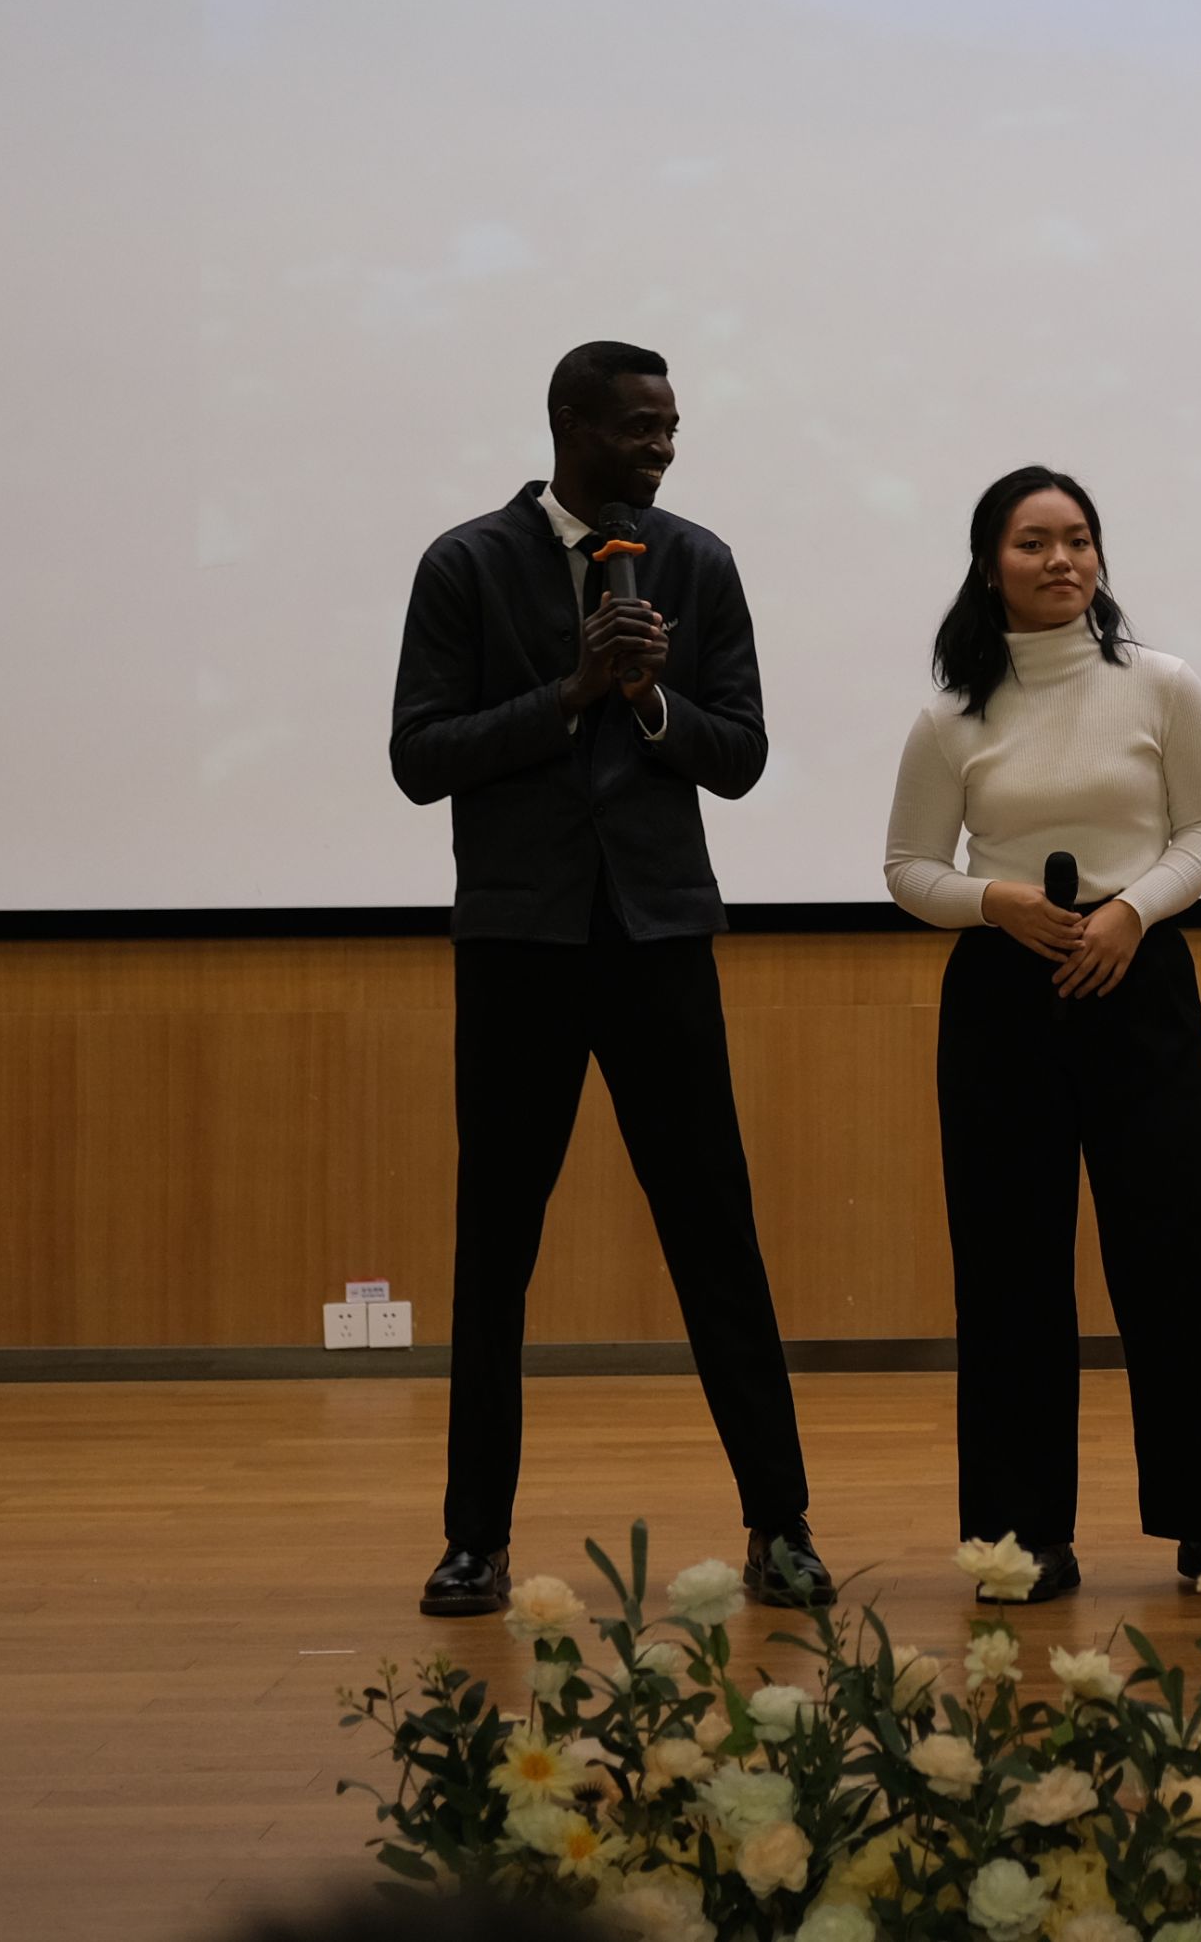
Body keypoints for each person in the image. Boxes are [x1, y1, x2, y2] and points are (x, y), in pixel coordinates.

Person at [386, 341, 825, 1622]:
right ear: (570, 423)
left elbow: (740, 755)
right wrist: (571, 690)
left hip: (658, 939)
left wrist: (648, 702)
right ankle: (473, 1541)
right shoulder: (467, 564)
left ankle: (781, 1526)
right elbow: (420, 758)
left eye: (672, 428)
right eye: (641, 427)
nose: (663, 447)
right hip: (518, 945)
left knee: (716, 1238)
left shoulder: (697, 562)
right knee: (495, 1251)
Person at [883, 465, 1201, 1605]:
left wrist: (1131, 911)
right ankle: (1019, 1536)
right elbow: (909, 868)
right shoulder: (951, 715)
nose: (1059, 560)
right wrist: (992, 901)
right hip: (1001, 998)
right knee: (1008, 1266)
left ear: (1100, 556)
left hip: (1136, 979)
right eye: (1032, 542)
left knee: (1174, 1257)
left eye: (1077, 539)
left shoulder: (1160, 685)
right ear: (990, 565)